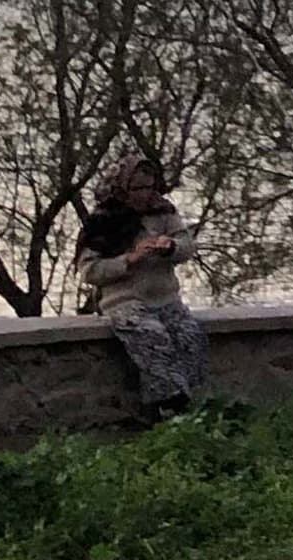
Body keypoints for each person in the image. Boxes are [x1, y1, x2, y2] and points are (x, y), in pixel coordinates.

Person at [77, 155, 207, 419]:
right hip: (124, 301)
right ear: (124, 188)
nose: (144, 194)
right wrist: (130, 259)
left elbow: (186, 245)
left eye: (149, 187)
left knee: (189, 335)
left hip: (164, 298)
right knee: (152, 335)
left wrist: (170, 247)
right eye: (137, 189)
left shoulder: (164, 212)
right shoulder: (103, 221)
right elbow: (90, 271)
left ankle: (186, 405)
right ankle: (169, 406)